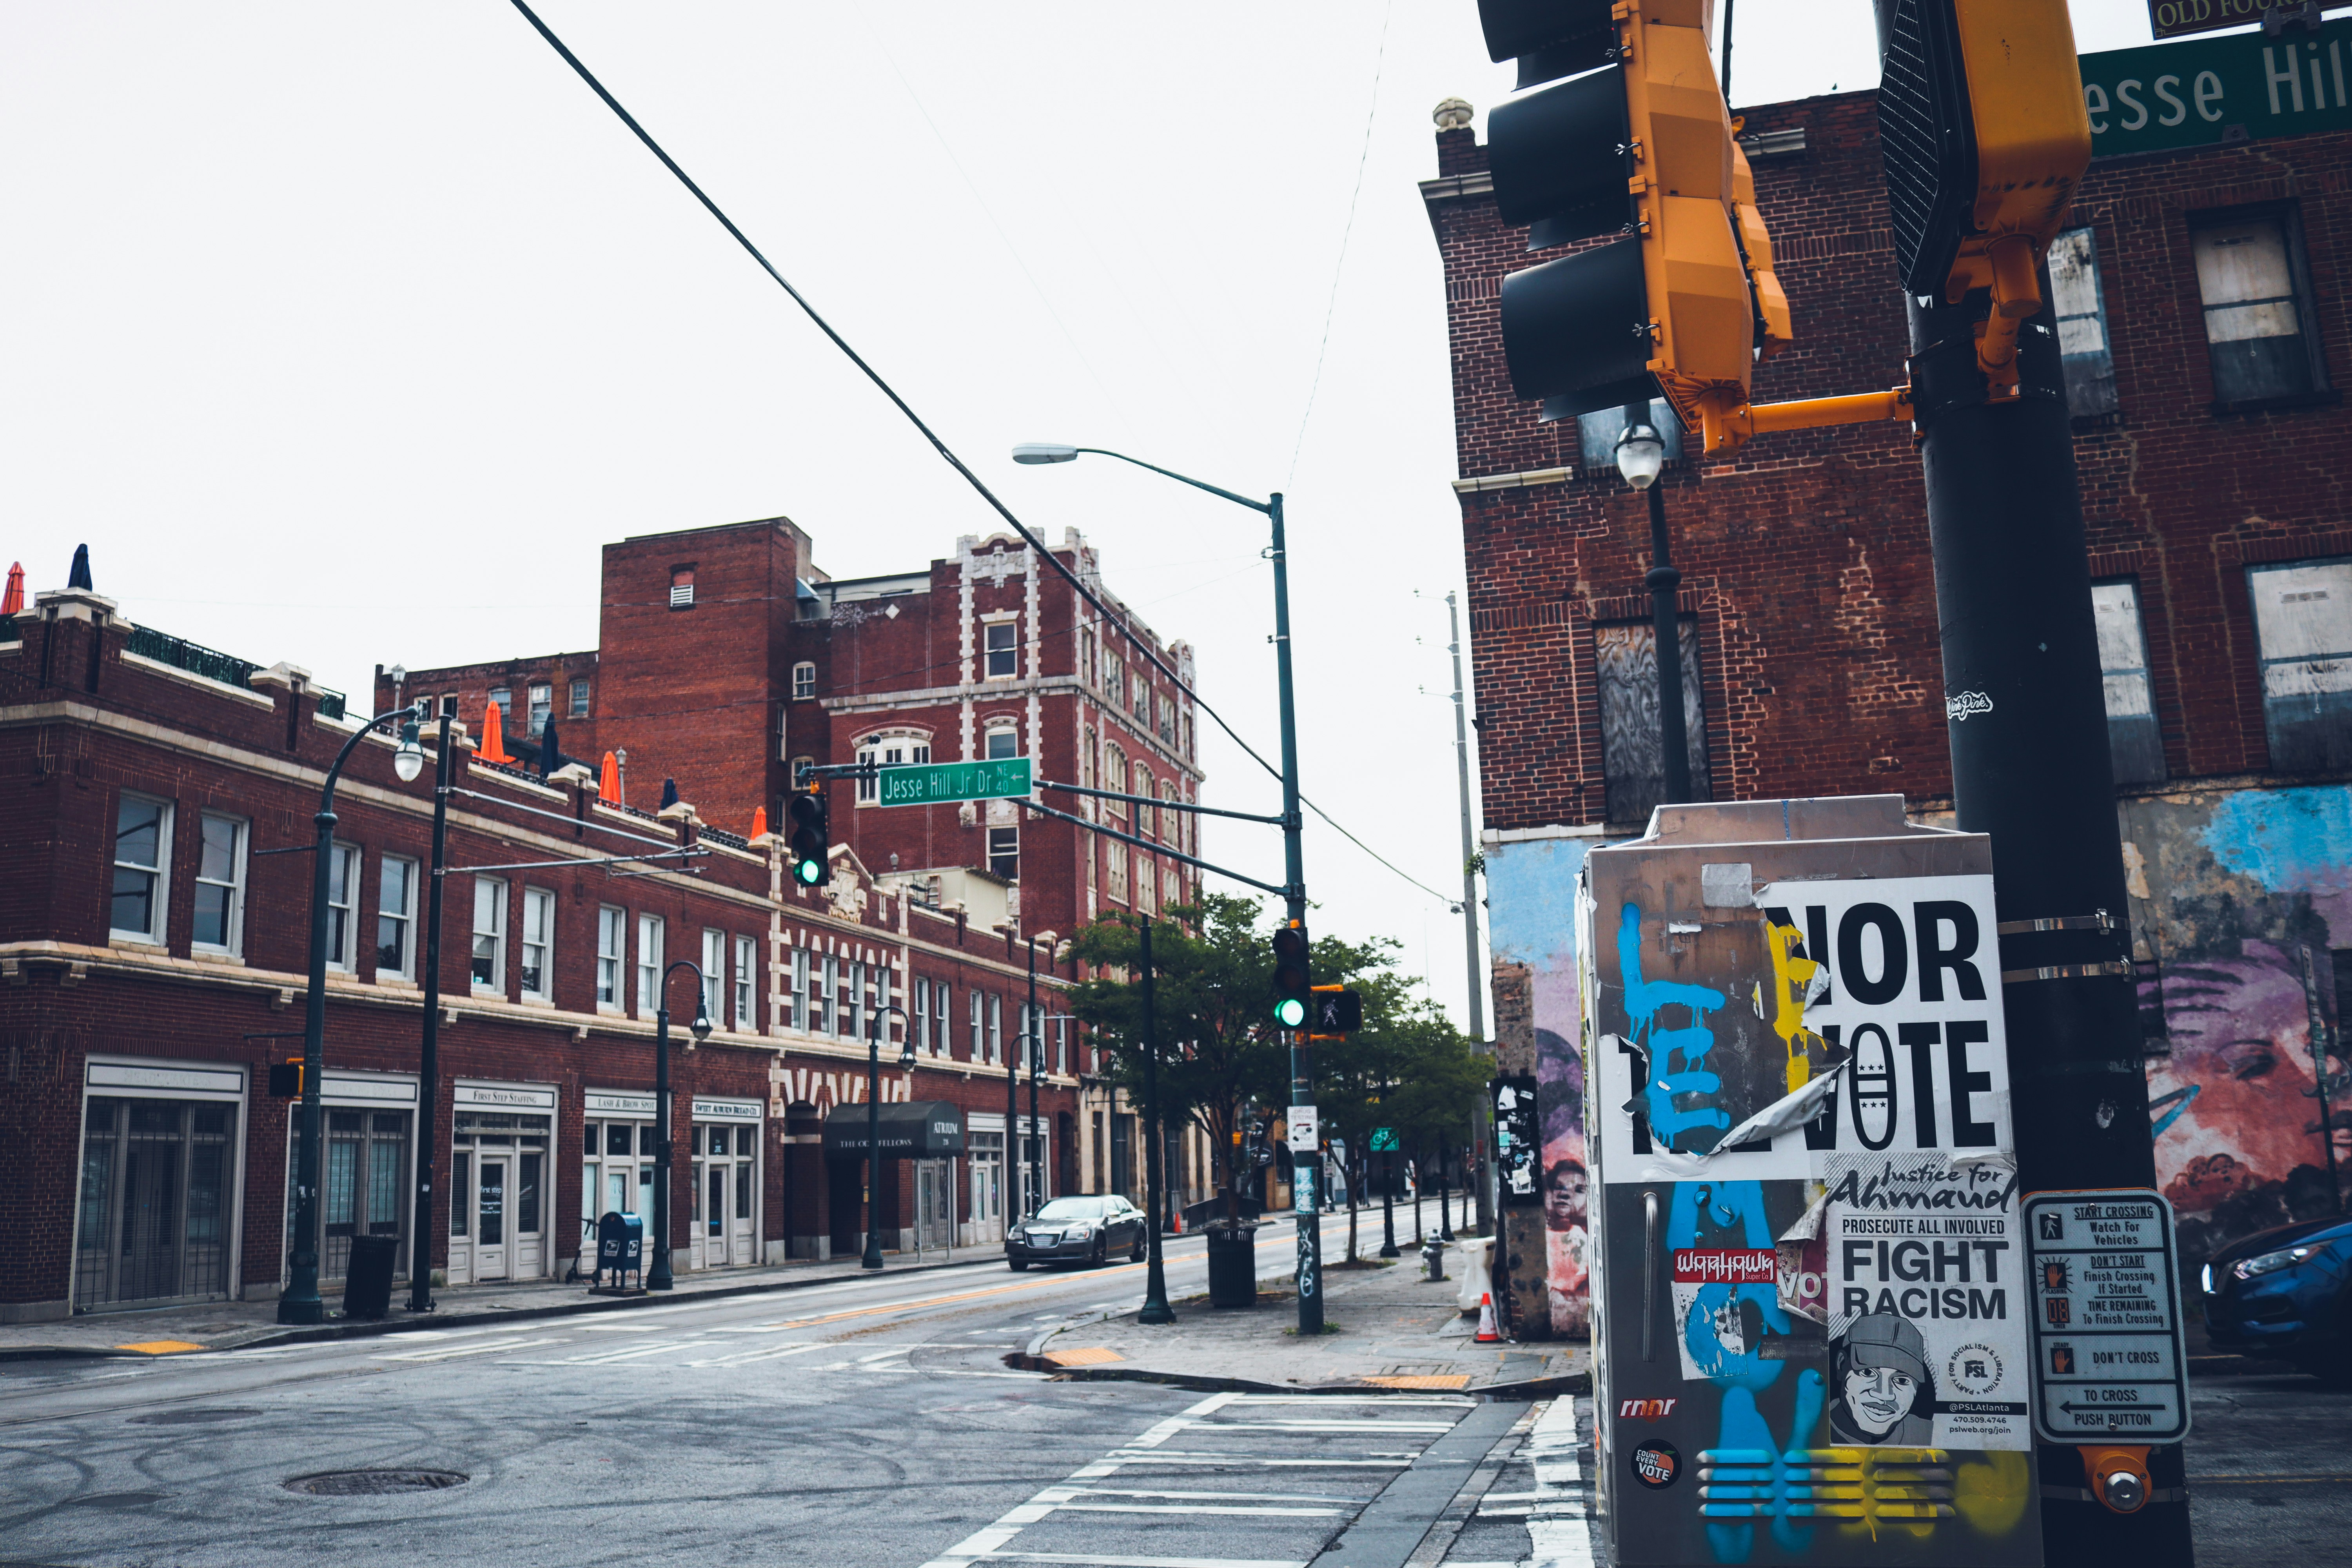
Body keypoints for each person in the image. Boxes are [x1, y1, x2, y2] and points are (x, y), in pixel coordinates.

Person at [1827, 1312, 1935, 1445]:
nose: (1884, 1395)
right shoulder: (1809, 1428)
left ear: (1917, 1386)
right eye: (1868, 1372)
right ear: (1842, 1365)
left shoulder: (1930, 1435)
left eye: (1901, 1380)